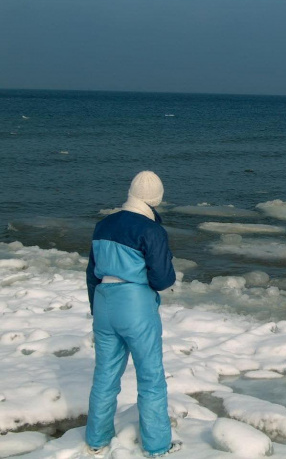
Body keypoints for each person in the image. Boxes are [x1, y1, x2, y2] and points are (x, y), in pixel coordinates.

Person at [85, 171, 181, 457]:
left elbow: (91, 273)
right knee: (150, 377)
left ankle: (97, 439)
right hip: (135, 304)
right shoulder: (151, 229)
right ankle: (156, 445)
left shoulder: (102, 225)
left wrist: (96, 309)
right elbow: (162, 279)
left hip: (104, 302)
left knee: (104, 375)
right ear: (155, 200)